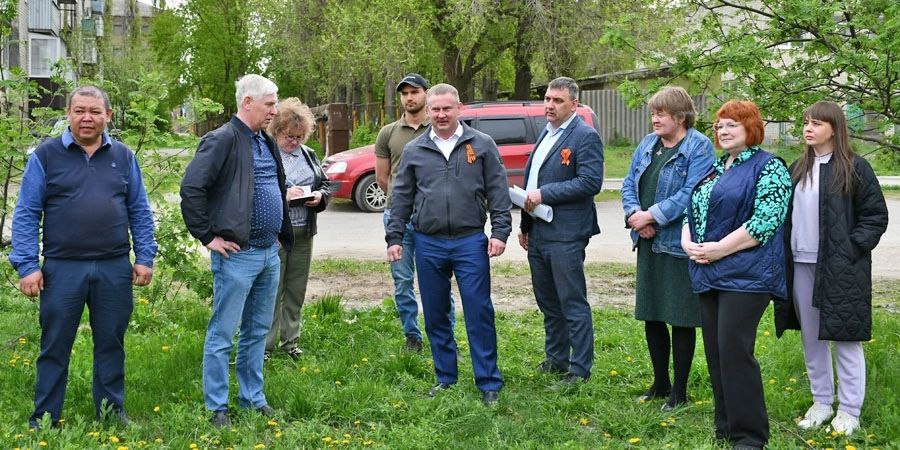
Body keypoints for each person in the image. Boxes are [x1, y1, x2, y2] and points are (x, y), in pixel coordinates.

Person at [9, 85, 157, 428]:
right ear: (68, 115)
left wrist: (145, 257)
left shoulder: (124, 156)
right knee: (54, 346)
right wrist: (28, 266)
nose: (86, 118)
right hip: (63, 270)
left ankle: (111, 414)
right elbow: (27, 213)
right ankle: (44, 418)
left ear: (107, 115)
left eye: (94, 111)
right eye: (79, 111)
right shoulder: (45, 156)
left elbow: (139, 210)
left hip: (114, 268)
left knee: (111, 343)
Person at [385, 83, 512, 406]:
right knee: (437, 313)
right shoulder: (415, 150)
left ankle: (488, 382)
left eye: (447, 109)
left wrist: (499, 232)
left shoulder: (481, 144)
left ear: (460, 109)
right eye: (435, 109)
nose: (441, 115)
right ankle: (446, 377)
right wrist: (395, 237)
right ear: (427, 112)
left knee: (478, 311)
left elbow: (498, 191)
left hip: (470, 241)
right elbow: (401, 197)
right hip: (428, 243)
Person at [180, 74, 293, 427]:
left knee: (258, 331)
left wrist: (276, 232)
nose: (275, 110)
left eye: (275, 103)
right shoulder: (222, 139)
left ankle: (252, 398)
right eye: (270, 104)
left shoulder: (265, 141)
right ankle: (218, 407)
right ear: (248, 102)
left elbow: (274, 186)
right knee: (222, 333)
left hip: (267, 254)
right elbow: (192, 189)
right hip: (236, 256)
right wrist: (208, 237)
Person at [682, 100, 792, 450]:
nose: (724, 131)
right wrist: (688, 242)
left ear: (751, 129)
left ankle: (750, 436)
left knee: (734, 350)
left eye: (732, 125)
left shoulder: (769, 167)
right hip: (709, 271)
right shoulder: (717, 168)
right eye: (720, 126)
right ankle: (726, 427)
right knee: (715, 351)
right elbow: (693, 211)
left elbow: (765, 222)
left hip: (748, 276)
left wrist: (719, 249)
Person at [774, 101, 888, 436]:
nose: (808, 129)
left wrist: (850, 250)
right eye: (806, 122)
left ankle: (849, 411)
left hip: (841, 269)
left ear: (834, 129)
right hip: (801, 266)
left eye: (816, 124)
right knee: (812, 339)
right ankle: (822, 402)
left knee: (845, 338)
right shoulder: (798, 168)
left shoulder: (855, 168)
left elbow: (875, 217)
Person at [621, 86, 715, 409]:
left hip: (678, 245)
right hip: (647, 241)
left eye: (660, 114)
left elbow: (691, 193)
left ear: (679, 116)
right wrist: (635, 216)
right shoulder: (648, 144)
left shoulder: (699, 148)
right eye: (653, 113)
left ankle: (680, 391)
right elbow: (628, 184)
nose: (654, 119)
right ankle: (660, 383)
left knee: (681, 317)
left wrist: (652, 216)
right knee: (652, 313)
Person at [517, 76, 604, 386]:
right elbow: (532, 184)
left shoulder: (585, 136)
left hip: (566, 232)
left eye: (557, 101)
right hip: (539, 231)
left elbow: (590, 182)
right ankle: (556, 359)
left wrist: (546, 194)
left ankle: (579, 370)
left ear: (574, 105)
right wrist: (526, 225)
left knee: (571, 301)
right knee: (548, 301)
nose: (549, 105)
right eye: (547, 99)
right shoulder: (546, 132)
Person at [375, 73, 454, 352]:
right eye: (404, 93)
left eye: (415, 92)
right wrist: (402, 205)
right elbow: (384, 178)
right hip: (397, 218)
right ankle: (413, 335)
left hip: (432, 220)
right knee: (403, 281)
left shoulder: (440, 128)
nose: (409, 97)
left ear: (426, 94)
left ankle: (446, 336)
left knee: (438, 280)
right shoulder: (388, 133)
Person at [264, 97, 332, 361]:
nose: (294, 142)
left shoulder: (309, 154)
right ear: (277, 131)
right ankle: (265, 346)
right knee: (272, 289)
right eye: (289, 137)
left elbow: (326, 184)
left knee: (296, 289)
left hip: (304, 231)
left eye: (300, 136)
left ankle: (290, 341)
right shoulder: (267, 154)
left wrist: (320, 197)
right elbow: (258, 190)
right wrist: (284, 194)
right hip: (278, 233)